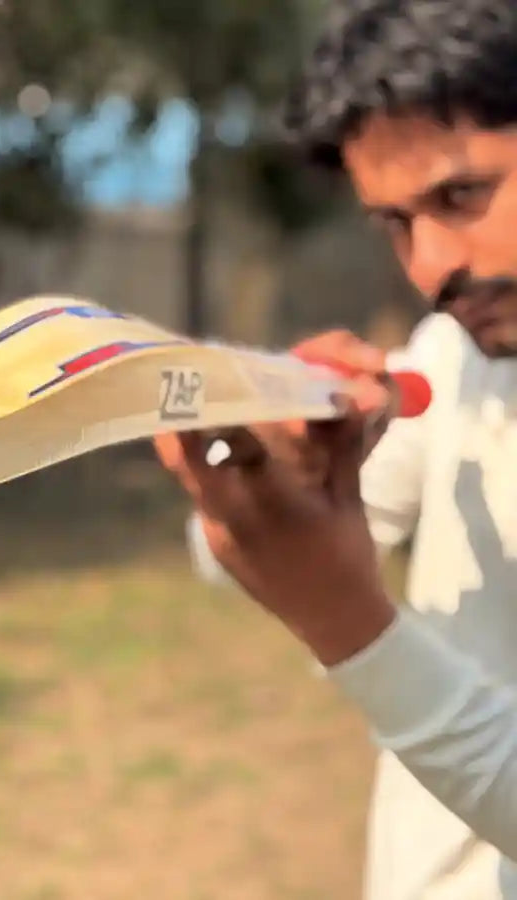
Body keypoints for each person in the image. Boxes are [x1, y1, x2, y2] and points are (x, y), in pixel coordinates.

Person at [158, 1, 517, 897]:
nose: (430, 267)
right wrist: (269, 473)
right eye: (394, 222)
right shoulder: (460, 357)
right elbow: (232, 558)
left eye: (462, 197)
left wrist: (352, 627)